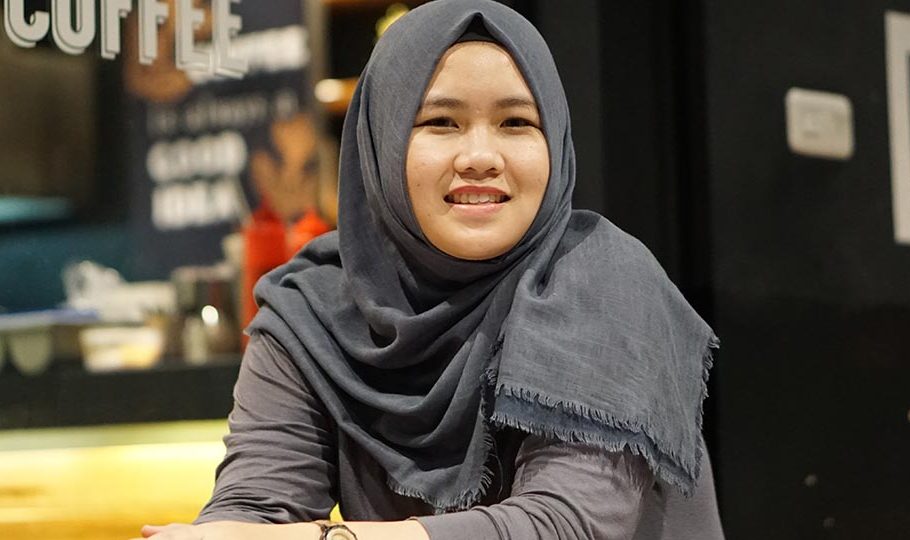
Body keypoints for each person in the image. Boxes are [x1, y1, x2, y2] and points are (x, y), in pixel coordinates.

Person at [137, 1, 724, 539]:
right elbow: (255, 509)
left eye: (517, 124)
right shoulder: (311, 311)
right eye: (441, 123)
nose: (480, 157)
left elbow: (566, 524)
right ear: (382, 142)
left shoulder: (603, 281)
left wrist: (329, 538)